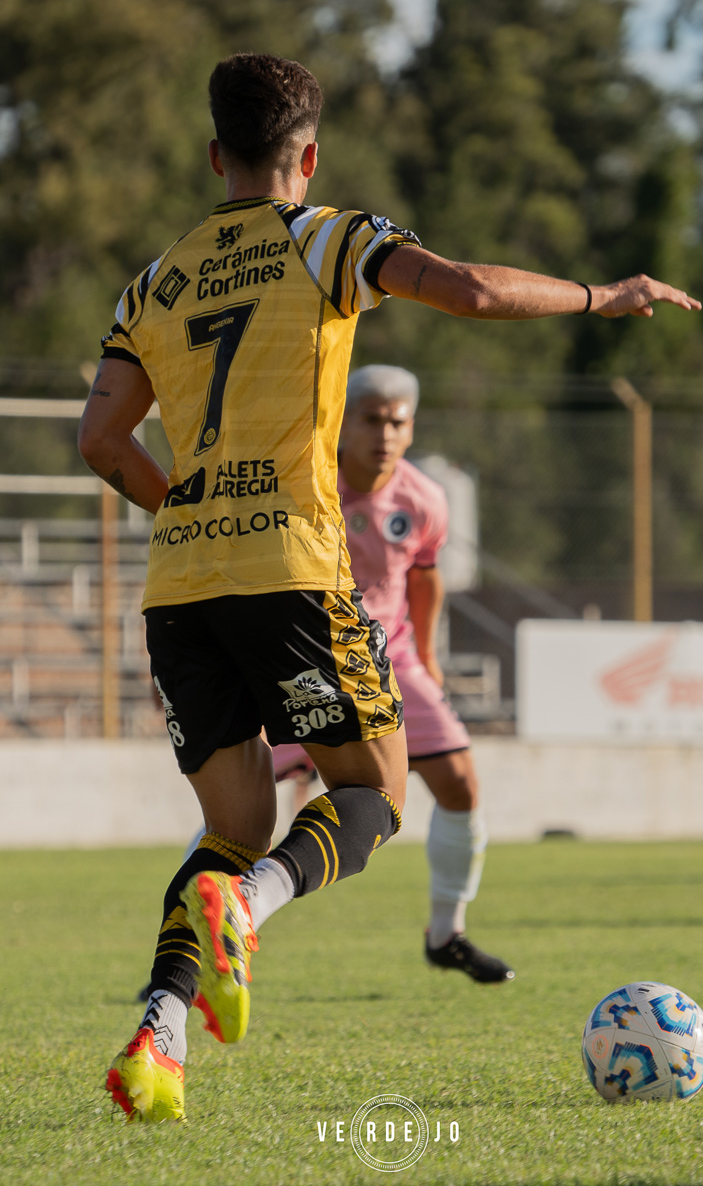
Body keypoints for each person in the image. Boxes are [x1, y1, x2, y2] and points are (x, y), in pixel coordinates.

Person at [77, 52, 698, 1121]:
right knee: (371, 796)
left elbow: (100, 439)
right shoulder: (330, 237)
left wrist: (185, 508)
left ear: (216, 154)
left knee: (228, 824)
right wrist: (602, 295)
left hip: (181, 585)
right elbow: (473, 291)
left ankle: (157, 1039)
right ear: (308, 157)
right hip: (293, 570)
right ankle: (255, 908)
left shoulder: (158, 278)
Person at [269, 365, 511, 982]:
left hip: (392, 658)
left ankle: (446, 934)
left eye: (396, 421)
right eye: (371, 419)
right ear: (343, 423)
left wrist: (426, 658)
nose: (384, 433)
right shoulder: (307, 483)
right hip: (312, 657)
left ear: (410, 430)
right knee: (240, 803)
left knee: (460, 782)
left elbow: (425, 576)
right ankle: (193, 939)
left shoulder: (424, 498)